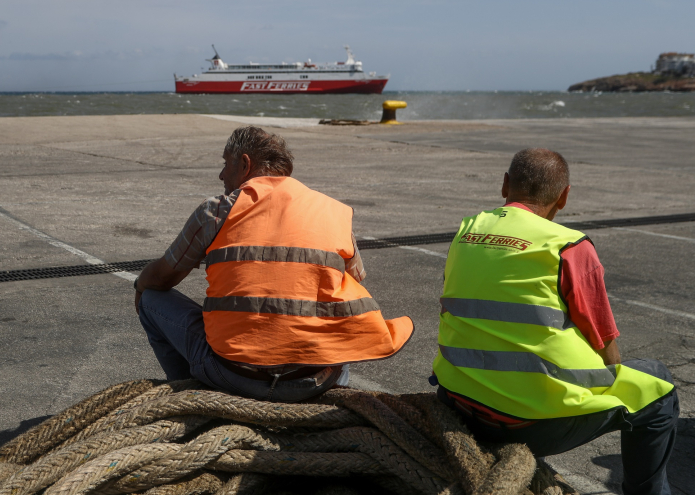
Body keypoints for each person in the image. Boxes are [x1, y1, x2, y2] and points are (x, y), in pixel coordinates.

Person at [432, 148, 678, 495]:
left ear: (505, 185)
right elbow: (605, 344)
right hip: (529, 423)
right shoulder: (568, 245)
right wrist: (610, 378)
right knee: (659, 386)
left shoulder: (467, 230)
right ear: (564, 197)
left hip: (457, 399)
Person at [135, 126, 414, 402]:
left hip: (232, 374)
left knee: (150, 298)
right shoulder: (332, 211)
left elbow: (161, 277)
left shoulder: (216, 211)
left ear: (245, 164)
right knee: (336, 312)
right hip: (314, 380)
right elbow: (357, 277)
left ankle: (191, 396)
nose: (221, 174)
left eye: (225, 163)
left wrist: (140, 286)